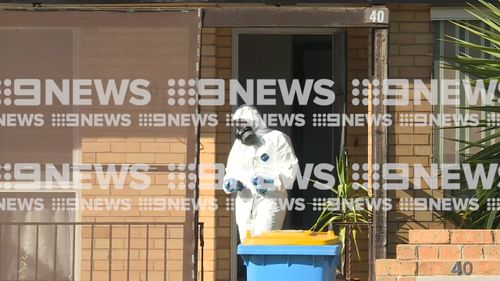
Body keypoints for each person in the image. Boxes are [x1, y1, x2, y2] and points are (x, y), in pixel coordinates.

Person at [223, 105, 299, 241]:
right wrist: (230, 183)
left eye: (244, 123)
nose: (241, 129)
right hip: (245, 202)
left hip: (270, 200)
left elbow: (290, 171)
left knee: (264, 241)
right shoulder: (238, 145)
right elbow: (230, 170)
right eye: (238, 125)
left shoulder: (277, 138)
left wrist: (270, 182)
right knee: (246, 243)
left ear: (254, 121)